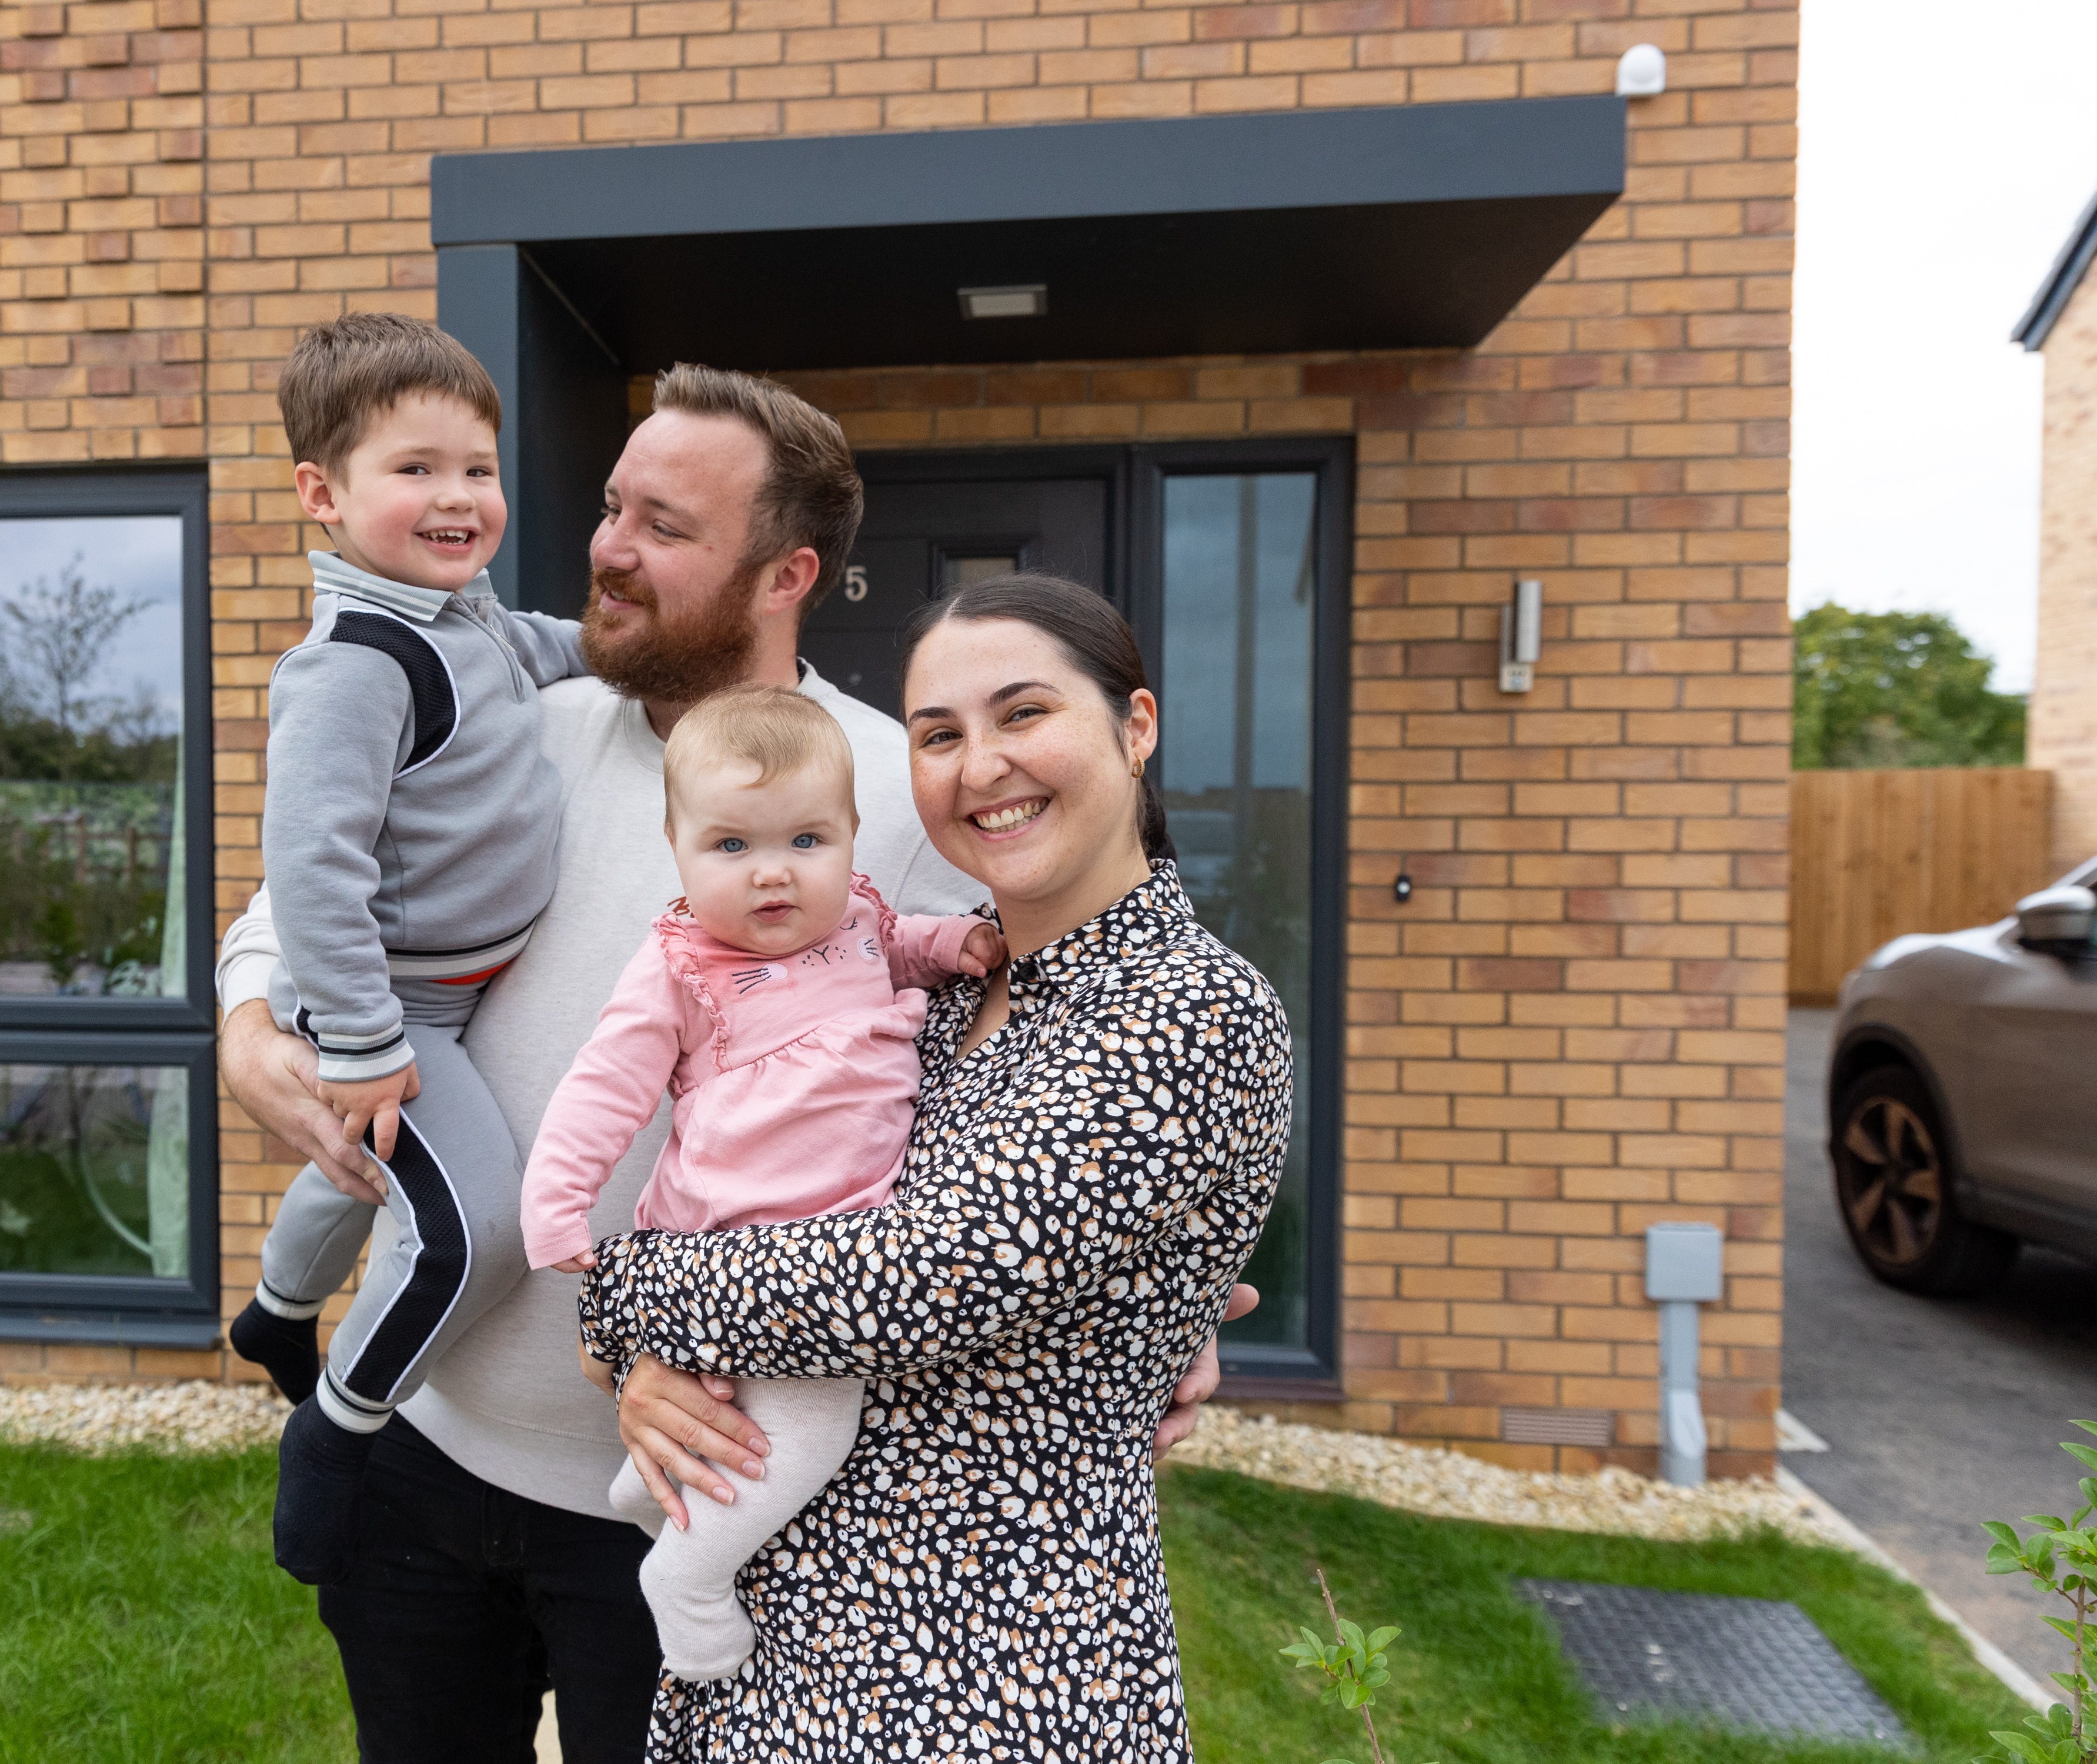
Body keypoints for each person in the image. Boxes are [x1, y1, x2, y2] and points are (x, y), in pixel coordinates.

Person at [216, 368, 1251, 1761]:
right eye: (607, 507)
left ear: (787, 573)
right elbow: (309, 877)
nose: (607, 550)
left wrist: (1140, 1323)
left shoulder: (903, 795)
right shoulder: (521, 719)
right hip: (431, 1439)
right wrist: (244, 1025)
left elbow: (1025, 1093)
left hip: (684, 1484)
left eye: (664, 526)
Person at [575, 573, 1295, 1760]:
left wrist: (620, 1295)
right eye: (938, 735)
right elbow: (793, 1211)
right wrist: (646, 1365)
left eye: (1024, 715)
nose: (980, 767)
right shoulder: (943, 984)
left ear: (1137, 727)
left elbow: (909, 1281)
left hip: (985, 1681)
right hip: (779, 1668)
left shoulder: (1192, 1010)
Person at [519, 684, 1007, 1682]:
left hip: (837, 1244)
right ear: (678, 845)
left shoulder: (862, 920)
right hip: (723, 1241)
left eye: (806, 842)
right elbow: (601, 1091)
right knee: (803, 1423)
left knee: (731, 1416)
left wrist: (952, 944)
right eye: (731, 847)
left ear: (851, 839)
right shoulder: (681, 967)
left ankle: (653, 1499)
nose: (773, 875)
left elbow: (903, 943)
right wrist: (555, 1205)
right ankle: (689, 1576)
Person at [235, 312, 592, 1587]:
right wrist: (370, 1040)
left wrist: (636, 651)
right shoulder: (353, 665)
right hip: (396, 1003)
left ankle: (275, 1317)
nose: (458, 498)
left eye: (477, 471)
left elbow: (549, 651)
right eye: (416, 470)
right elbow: (315, 868)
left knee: (356, 1172)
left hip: (438, 995)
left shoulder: (465, 620)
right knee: (468, 1236)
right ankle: (338, 1435)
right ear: (322, 496)